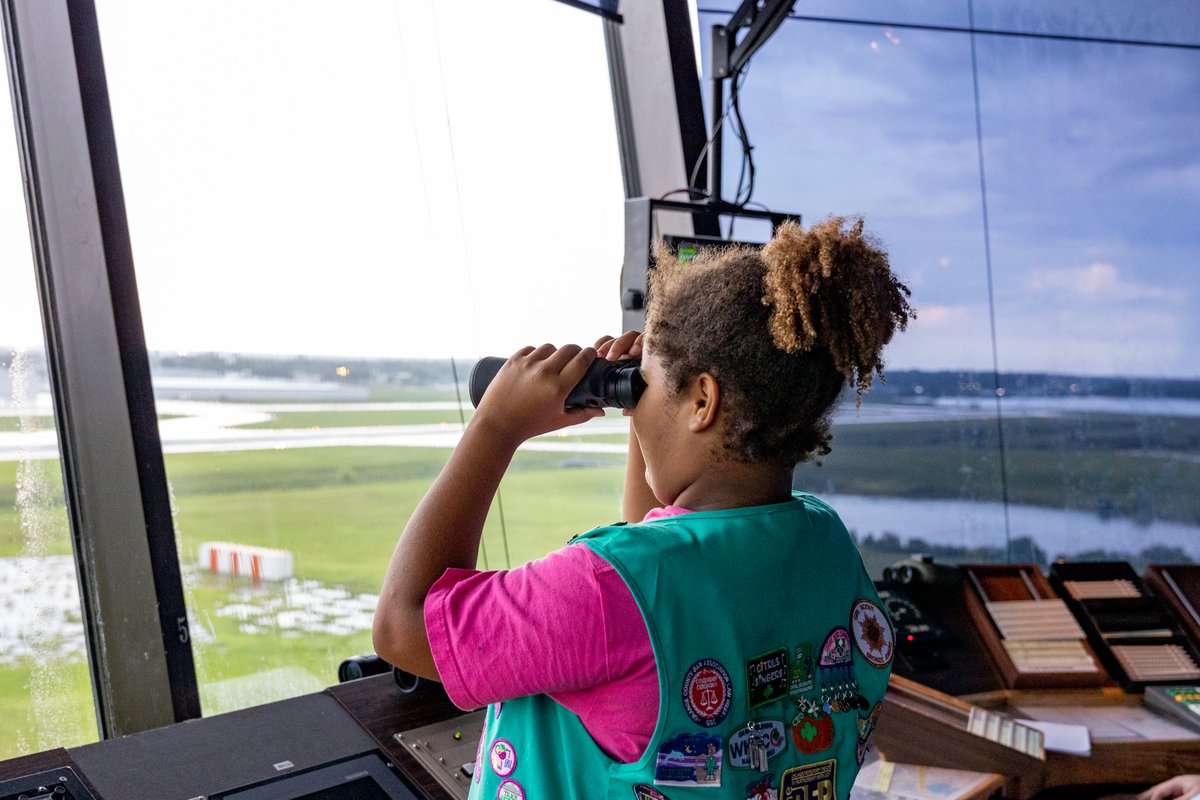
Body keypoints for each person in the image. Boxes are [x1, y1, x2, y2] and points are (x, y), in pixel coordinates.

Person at [373, 216, 914, 798]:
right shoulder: (823, 541)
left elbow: (402, 626)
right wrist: (649, 406)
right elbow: (664, 581)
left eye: (644, 385)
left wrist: (496, 427)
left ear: (702, 401)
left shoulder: (604, 592)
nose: (637, 399)